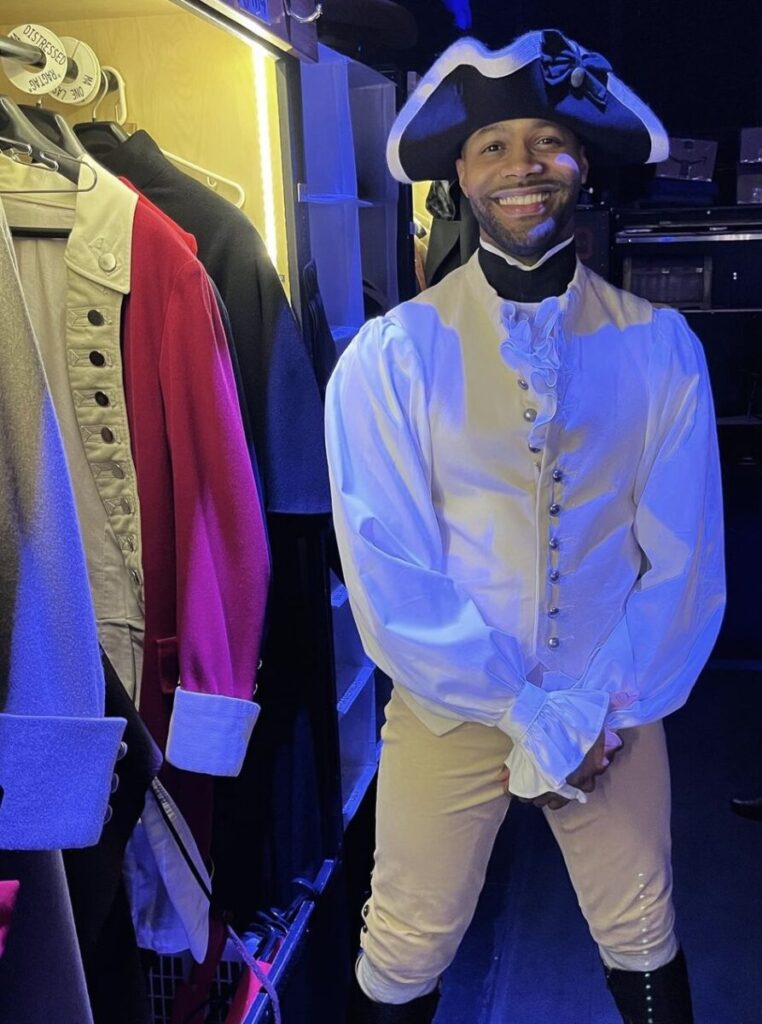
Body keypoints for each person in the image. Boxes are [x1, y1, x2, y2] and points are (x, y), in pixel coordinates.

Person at [325, 29, 725, 1024]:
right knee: (404, 940)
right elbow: (391, 569)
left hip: (613, 704)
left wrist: (594, 709)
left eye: (548, 141)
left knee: (644, 929)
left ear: (582, 163)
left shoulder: (660, 348)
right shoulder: (389, 358)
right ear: (458, 174)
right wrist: (521, 710)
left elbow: (683, 561)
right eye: (495, 147)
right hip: (448, 701)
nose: (523, 169)